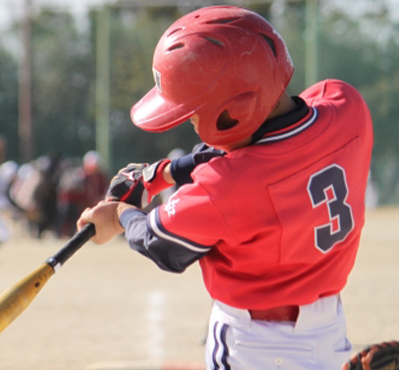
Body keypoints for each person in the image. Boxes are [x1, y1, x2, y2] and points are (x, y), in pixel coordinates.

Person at [77, 6, 373, 370]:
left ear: (235, 111)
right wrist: (165, 172)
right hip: (331, 337)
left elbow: (158, 242)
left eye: (193, 113)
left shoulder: (224, 188)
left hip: (252, 347)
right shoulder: (348, 107)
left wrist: (118, 216)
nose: (190, 123)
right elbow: (268, 141)